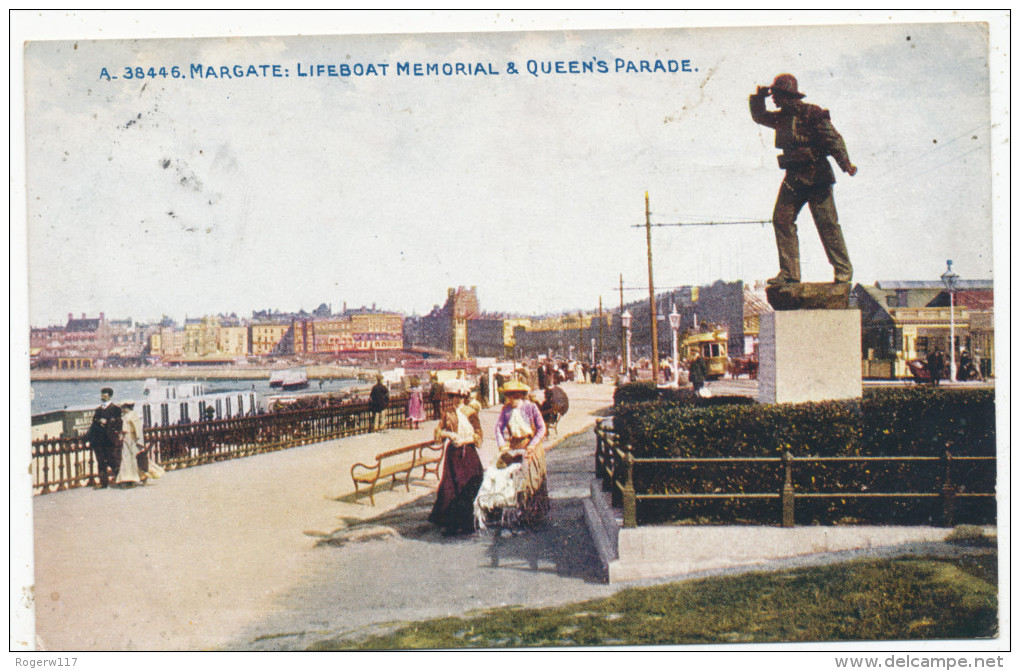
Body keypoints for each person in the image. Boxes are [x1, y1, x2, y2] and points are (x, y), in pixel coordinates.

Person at [750, 73, 857, 285]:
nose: (774, 99)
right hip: (794, 179)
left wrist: (845, 164)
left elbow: (833, 138)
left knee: (827, 225)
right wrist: (758, 97)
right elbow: (759, 116)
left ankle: (843, 271)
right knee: (782, 219)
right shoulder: (781, 117)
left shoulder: (812, 113)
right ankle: (789, 273)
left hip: (817, 177)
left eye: (776, 95)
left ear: (787, 95)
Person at [429, 386, 484, 536]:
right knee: (450, 486)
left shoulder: (471, 412)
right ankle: (450, 521)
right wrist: (449, 434)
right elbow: (438, 432)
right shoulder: (447, 413)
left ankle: (465, 522)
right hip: (453, 454)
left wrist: (465, 440)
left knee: (465, 486)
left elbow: (479, 435)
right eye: (453, 396)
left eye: (458, 397)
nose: (456, 400)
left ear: (464, 397)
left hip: (468, 454)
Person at [86, 387, 122, 488]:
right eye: (102, 395)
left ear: (109, 396)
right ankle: (103, 482)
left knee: (112, 460)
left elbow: (119, 423)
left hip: (109, 439)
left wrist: (108, 422)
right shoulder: (98, 410)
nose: (102, 397)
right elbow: (94, 423)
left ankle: (120, 478)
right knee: (101, 461)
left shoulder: (116, 409)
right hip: (99, 440)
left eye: (105, 395)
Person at [116, 400, 146, 487]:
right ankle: (126, 478)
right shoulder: (125, 416)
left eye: (123, 407)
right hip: (126, 439)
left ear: (127, 407)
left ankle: (135, 477)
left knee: (133, 458)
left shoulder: (133, 415)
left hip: (132, 439)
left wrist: (137, 440)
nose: (122, 409)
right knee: (126, 458)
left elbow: (137, 428)